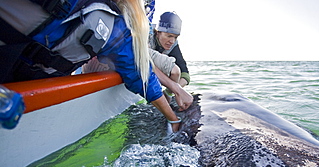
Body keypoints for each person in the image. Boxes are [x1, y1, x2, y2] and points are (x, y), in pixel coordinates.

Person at [0, 0, 184, 132]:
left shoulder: (117, 32)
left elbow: (143, 75)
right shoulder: (117, 30)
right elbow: (143, 75)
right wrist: (172, 117)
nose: (171, 40)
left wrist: (172, 110)